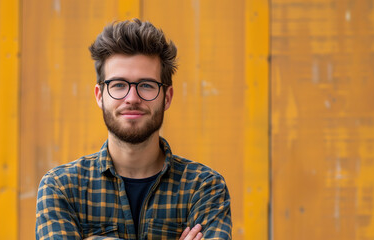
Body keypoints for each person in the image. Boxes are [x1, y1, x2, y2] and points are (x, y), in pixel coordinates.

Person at [35, 19, 232, 240]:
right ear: (100, 96)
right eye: (119, 84)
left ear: (166, 98)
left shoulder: (204, 187)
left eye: (146, 85)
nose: (132, 98)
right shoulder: (62, 187)